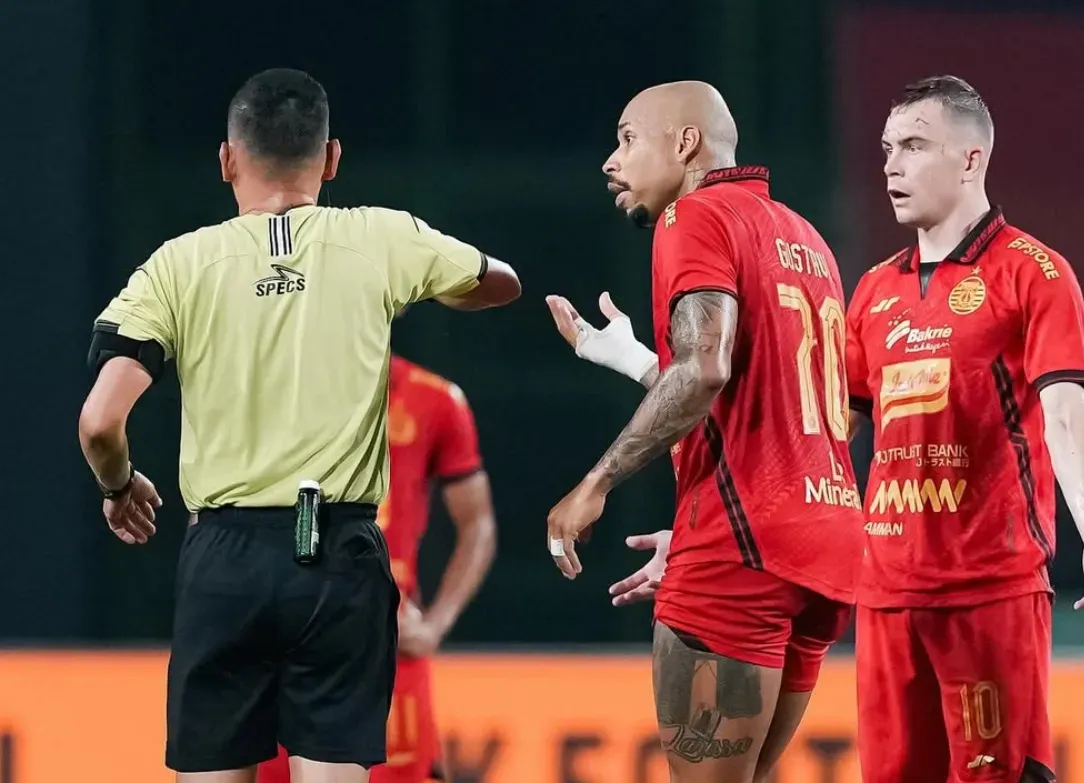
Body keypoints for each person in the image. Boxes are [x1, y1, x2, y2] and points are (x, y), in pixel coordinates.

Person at [77, 68, 520, 783]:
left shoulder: (177, 264)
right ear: (332, 158)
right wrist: (435, 284)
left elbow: (99, 420)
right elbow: (500, 281)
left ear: (227, 159)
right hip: (338, 553)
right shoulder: (379, 237)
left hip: (223, 554)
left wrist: (118, 482)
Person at [544, 81, 861, 783]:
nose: (610, 159)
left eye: (628, 138)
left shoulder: (692, 215)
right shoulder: (805, 237)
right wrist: (631, 359)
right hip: (829, 544)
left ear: (686, 144)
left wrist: (595, 482)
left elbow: (706, 366)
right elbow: (758, 398)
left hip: (742, 549)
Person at [843, 74, 1084, 783]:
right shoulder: (872, 291)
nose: (891, 164)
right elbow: (828, 439)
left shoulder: (1033, 273)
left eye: (914, 146)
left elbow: (1066, 410)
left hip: (988, 592)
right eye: (888, 148)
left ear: (972, 159)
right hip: (884, 596)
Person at [258, 356, 497, 783]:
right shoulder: (268, 391)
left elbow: (477, 523)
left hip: (389, 646)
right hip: (280, 644)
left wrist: (435, 626)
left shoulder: (435, 399)